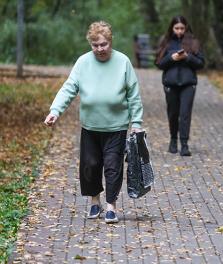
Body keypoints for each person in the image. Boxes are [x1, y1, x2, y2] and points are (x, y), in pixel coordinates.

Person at [44, 21, 143, 224]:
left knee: (113, 166)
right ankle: (95, 201)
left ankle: (111, 207)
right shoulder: (83, 62)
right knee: (90, 166)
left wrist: (137, 122)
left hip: (116, 126)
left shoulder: (123, 62)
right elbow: (69, 87)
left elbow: (133, 94)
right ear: (90, 44)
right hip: (90, 126)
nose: (100, 49)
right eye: (95, 45)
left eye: (104, 44)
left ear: (110, 41)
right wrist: (55, 110)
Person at [155, 15, 205, 156]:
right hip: (170, 84)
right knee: (173, 114)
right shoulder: (166, 42)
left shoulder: (193, 42)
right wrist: (171, 58)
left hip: (188, 84)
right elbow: (159, 63)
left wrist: (187, 57)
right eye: (176, 28)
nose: (179, 31)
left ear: (186, 28)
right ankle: (173, 140)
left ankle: (184, 144)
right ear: (172, 28)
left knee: (184, 114)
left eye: (182, 28)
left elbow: (201, 63)